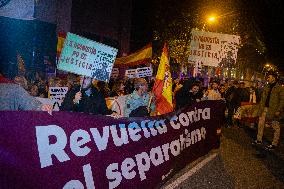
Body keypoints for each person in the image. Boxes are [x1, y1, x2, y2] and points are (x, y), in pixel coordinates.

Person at [252, 72, 284, 150]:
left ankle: (274, 144)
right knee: (260, 124)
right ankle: (259, 140)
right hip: (264, 109)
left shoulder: (280, 88)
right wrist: (260, 108)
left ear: (274, 78)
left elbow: (282, 100)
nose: (268, 79)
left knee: (275, 127)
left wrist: (279, 110)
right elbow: (263, 98)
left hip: (273, 110)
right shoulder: (267, 86)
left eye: (269, 77)